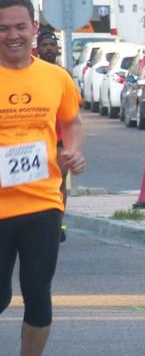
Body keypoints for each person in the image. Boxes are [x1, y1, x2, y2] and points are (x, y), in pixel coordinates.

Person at [0, 0, 85, 356]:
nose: (12, 35)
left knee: (38, 292)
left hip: (42, 204)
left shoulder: (56, 78)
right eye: (3, 28)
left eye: (20, 26)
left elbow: (71, 121)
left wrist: (73, 151)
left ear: (35, 28)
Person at [35, 28, 71, 243]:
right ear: (38, 48)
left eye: (52, 45)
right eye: (45, 45)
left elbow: (73, 111)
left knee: (59, 182)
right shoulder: (31, 72)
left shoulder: (63, 74)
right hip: (37, 139)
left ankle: (58, 224)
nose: (49, 49)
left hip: (59, 138)